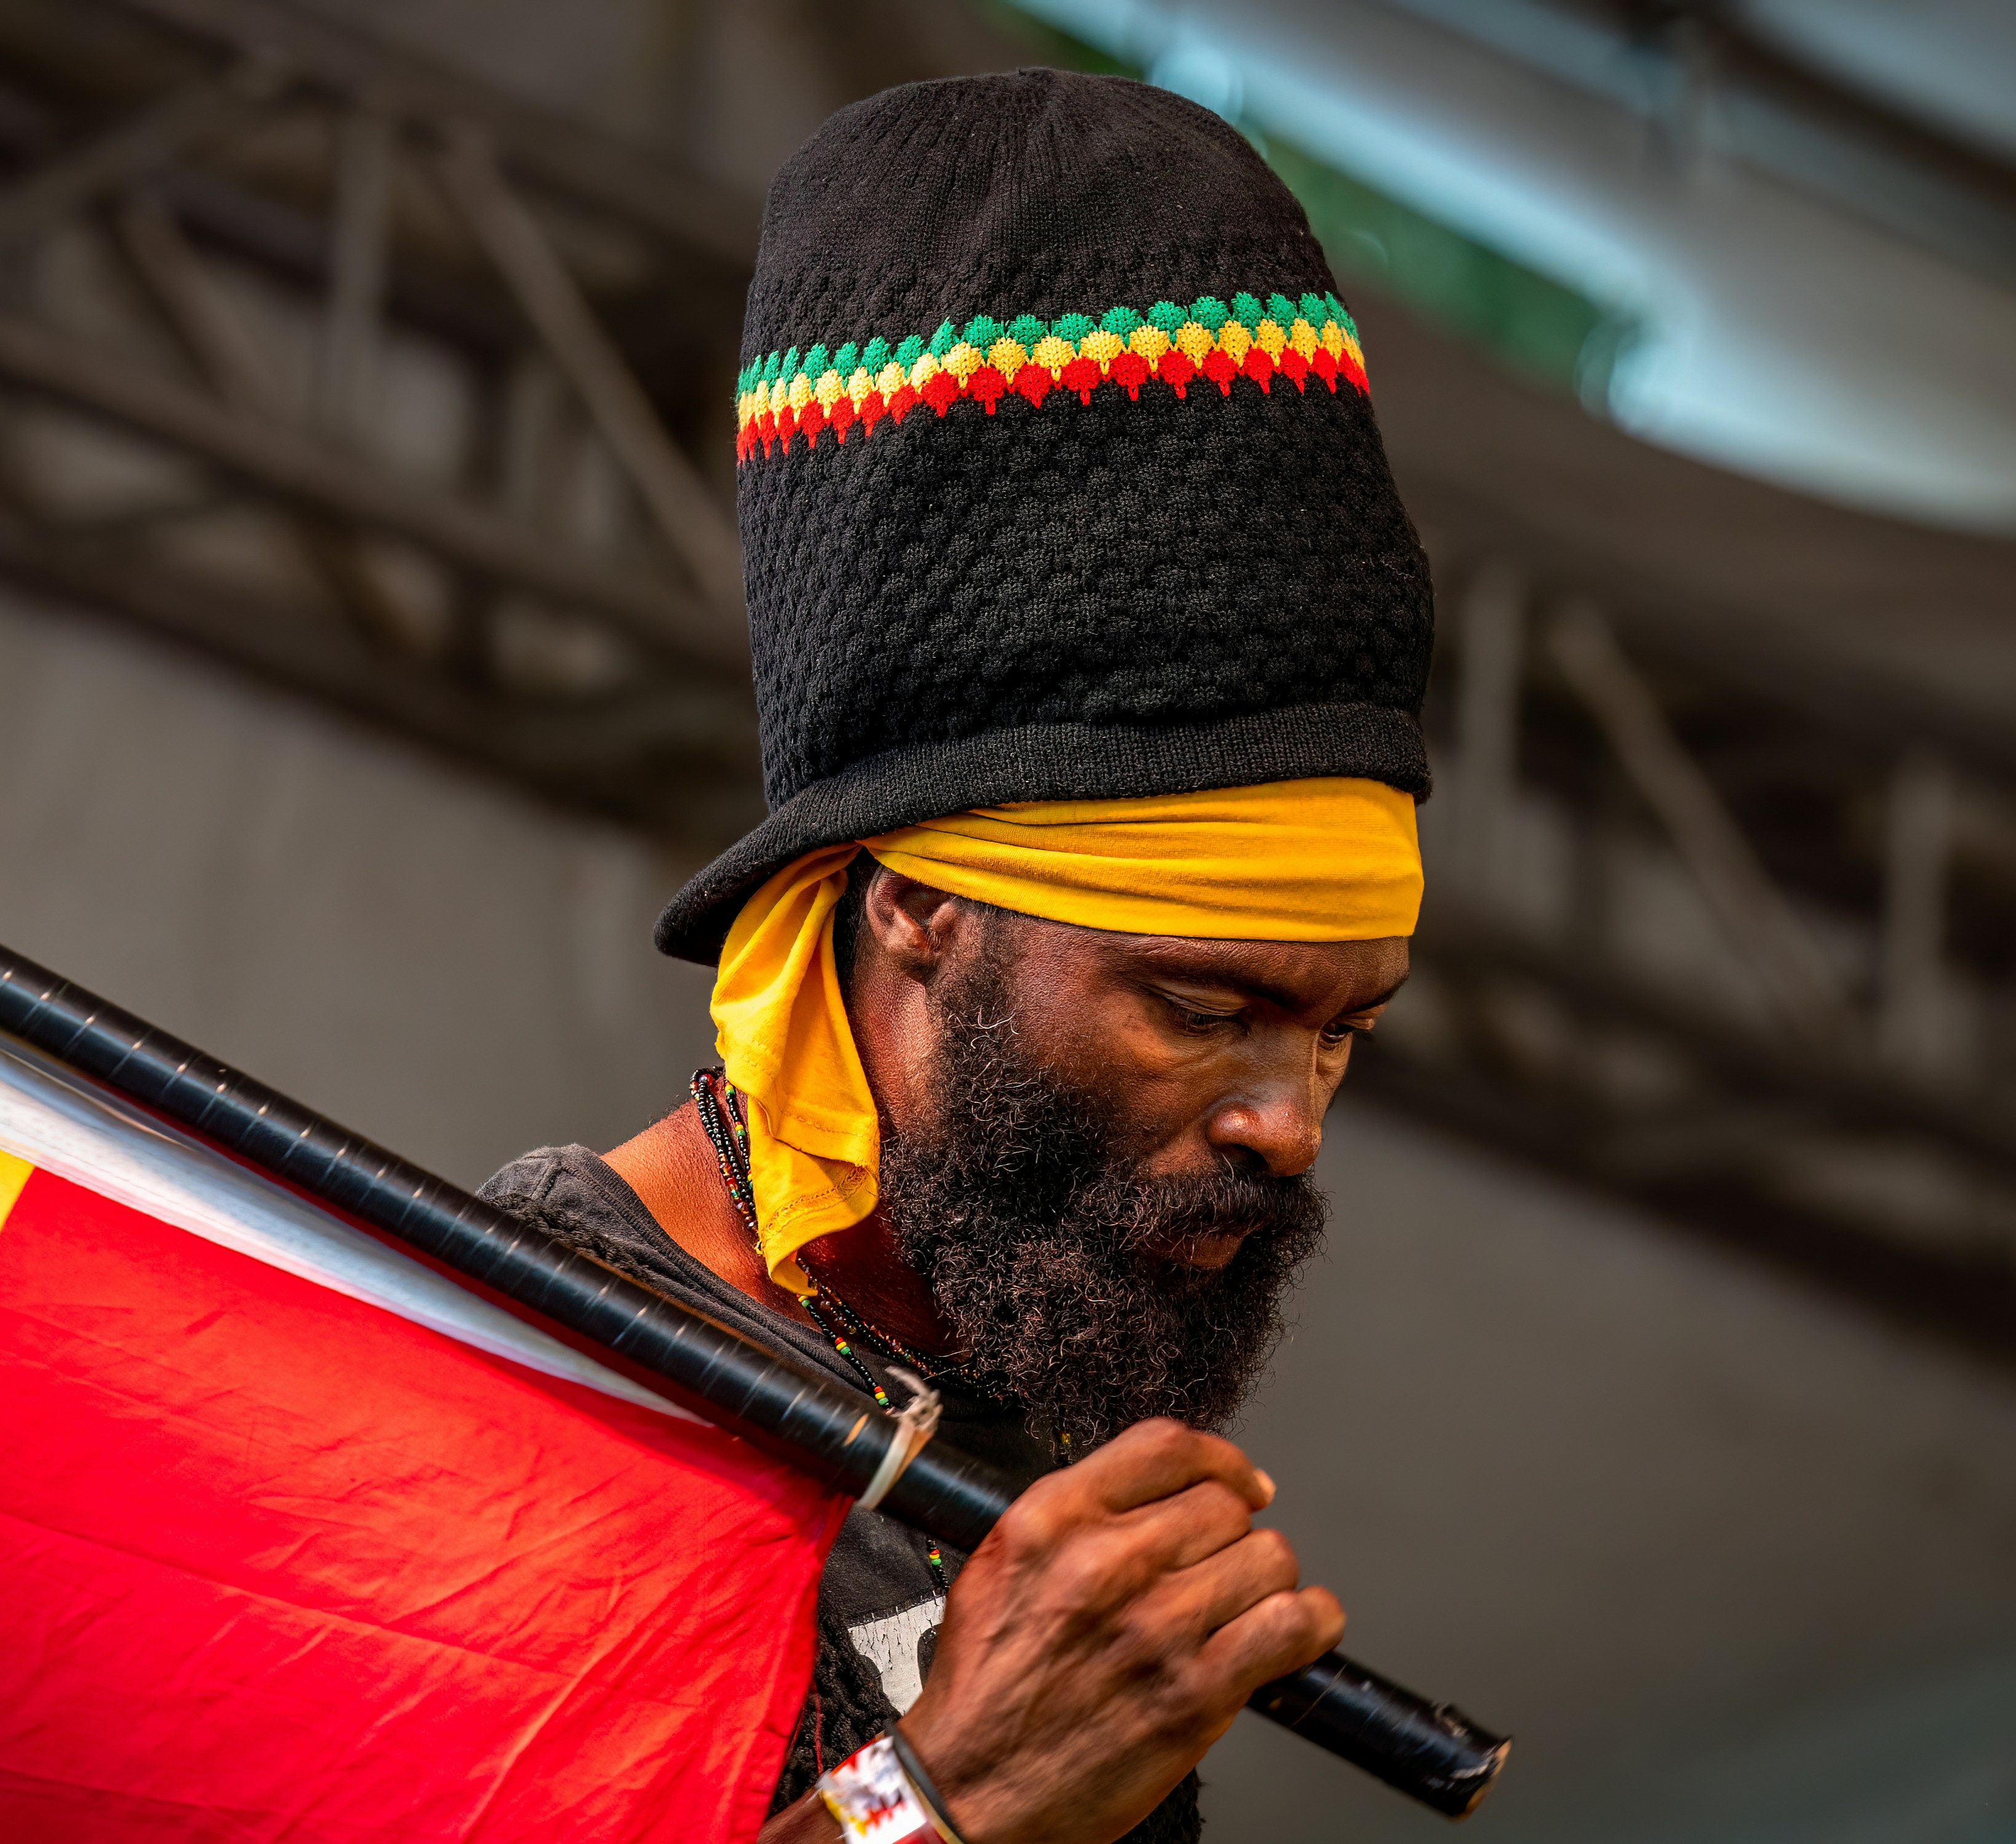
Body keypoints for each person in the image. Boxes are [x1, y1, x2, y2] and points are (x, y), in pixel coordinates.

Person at [482, 67, 1434, 1844]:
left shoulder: (1006, 1415)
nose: (1287, 1122)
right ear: (914, 903)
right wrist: (947, 1805)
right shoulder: (524, 1377)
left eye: (1341, 1029)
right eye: (1210, 1007)